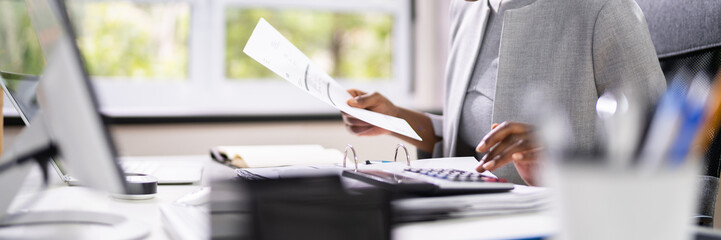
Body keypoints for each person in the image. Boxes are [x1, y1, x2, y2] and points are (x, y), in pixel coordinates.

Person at [342, 0, 666, 185]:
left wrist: (556, 156)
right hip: (465, 215)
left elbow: (663, 147)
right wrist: (396, 117)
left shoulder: (602, 10)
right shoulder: (466, 11)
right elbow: (468, 140)